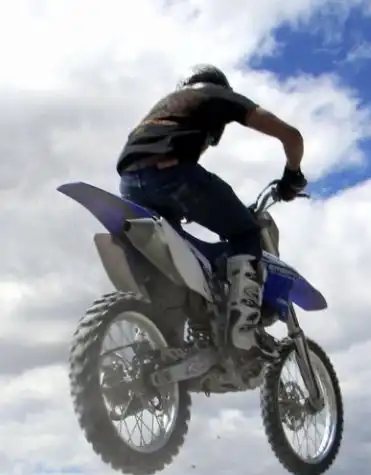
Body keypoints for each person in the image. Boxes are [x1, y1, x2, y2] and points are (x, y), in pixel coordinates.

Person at [116, 64, 307, 354]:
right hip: (173, 177)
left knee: (176, 262)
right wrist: (292, 174)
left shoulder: (165, 110)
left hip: (130, 184)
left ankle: (165, 342)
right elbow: (292, 136)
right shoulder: (214, 95)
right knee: (245, 233)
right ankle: (241, 326)